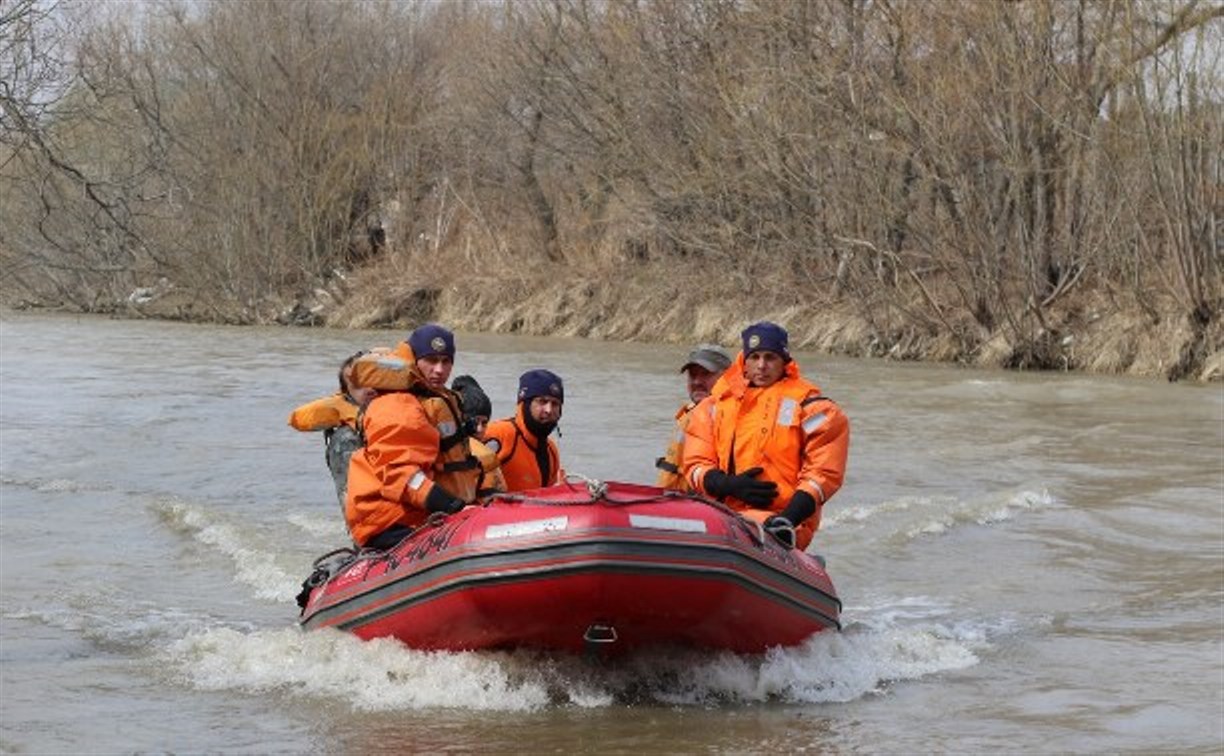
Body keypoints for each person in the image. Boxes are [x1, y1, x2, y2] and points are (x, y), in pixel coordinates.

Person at [682, 321, 849, 551]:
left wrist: (788, 519)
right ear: (744, 360)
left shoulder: (815, 410)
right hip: (719, 518)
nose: (761, 365)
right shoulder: (712, 407)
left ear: (784, 362)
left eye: (770, 357)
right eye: (755, 357)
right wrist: (728, 484)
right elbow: (696, 464)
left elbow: (823, 474)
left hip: (782, 523)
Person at [344, 324, 473, 550]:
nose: (439, 369)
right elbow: (402, 476)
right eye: (431, 360)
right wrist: (454, 506)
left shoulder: (434, 399)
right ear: (414, 360)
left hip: (420, 513)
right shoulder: (396, 404)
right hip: (389, 520)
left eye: (446, 361)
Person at [288, 350, 378, 515]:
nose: (369, 389)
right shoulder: (347, 439)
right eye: (357, 385)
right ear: (347, 393)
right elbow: (355, 497)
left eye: (374, 379)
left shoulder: (416, 412)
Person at [656, 344, 732, 491]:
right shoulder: (689, 412)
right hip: (673, 500)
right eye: (693, 375)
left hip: (706, 506)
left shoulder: (731, 417)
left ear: (726, 377)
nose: (697, 381)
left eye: (705, 374)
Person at [485, 369, 565, 492]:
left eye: (555, 404)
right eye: (542, 401)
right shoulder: (498, 434)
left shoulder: (551, 450)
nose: (549, 410)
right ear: (525, 404)